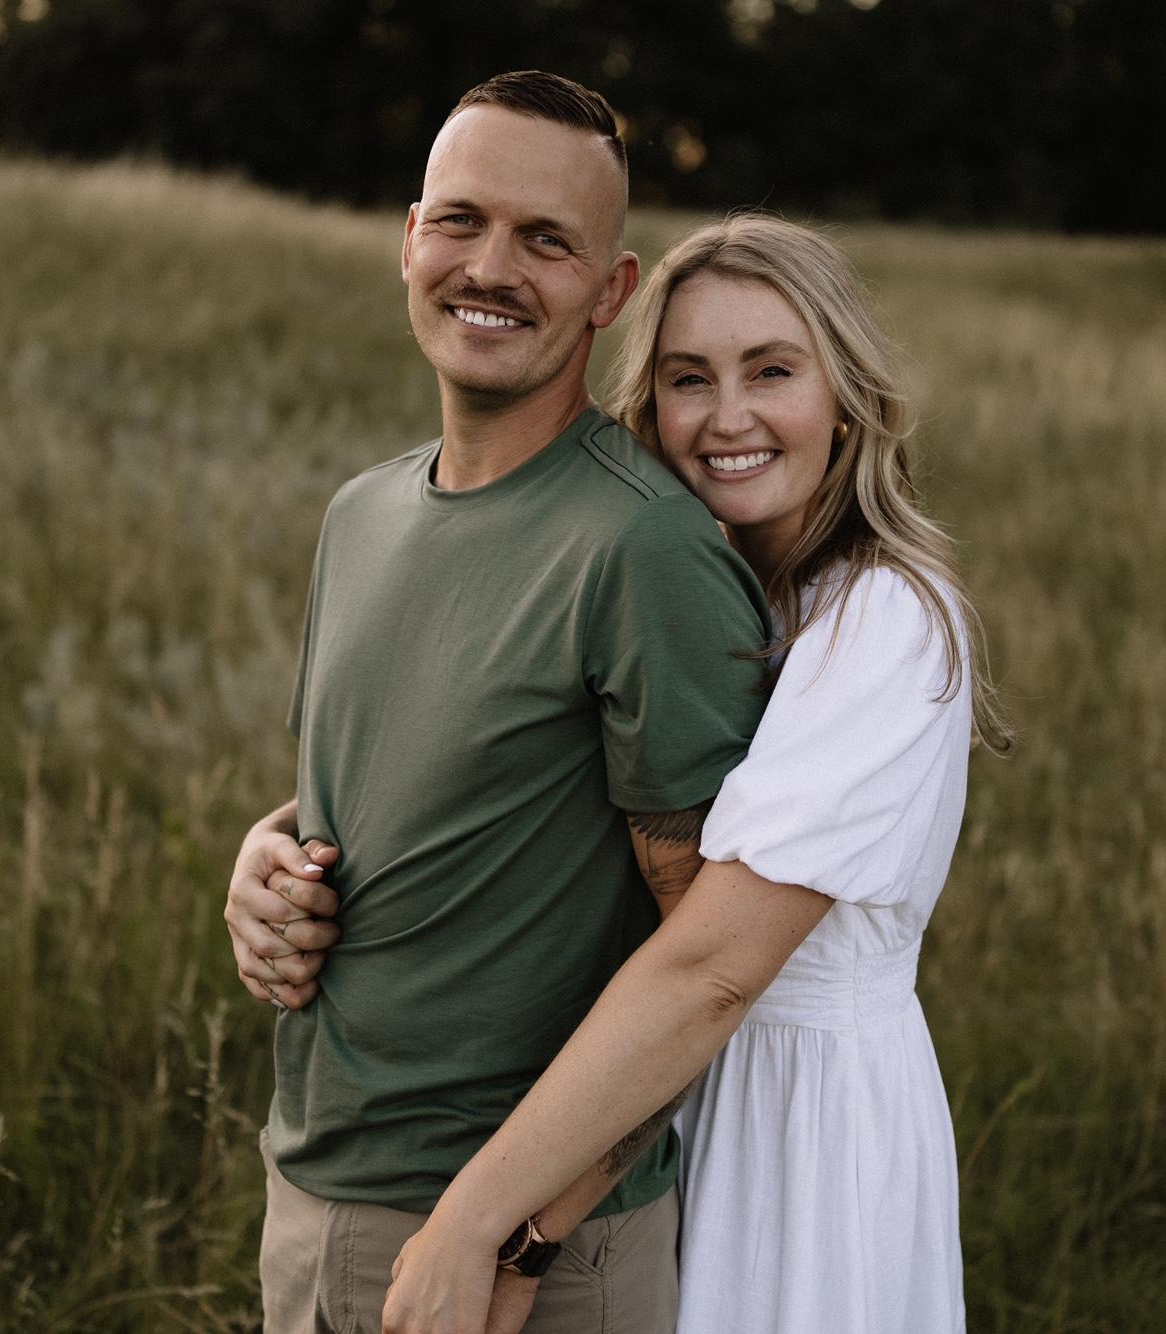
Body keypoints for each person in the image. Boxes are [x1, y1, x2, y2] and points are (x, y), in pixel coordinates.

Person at [379, 217, 1013, 1334]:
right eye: (688, 378)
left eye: (771, 371)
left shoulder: (884, 620)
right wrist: (279, 845)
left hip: (801, 1125)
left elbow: (717, 967)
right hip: (656, 1089)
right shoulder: (711, 594)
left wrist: (498, 1231)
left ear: (846, 394)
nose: (727, 417)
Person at [222, 73, 774, 1333]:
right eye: (461, 221)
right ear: (408, 239)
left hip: (515, 1258)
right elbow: (399, 785)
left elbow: (706, 959)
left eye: (544, 240)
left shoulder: (642, 549)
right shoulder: (361, 513)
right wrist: (262, 863)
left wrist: (515, 1236)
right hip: (308, 1193)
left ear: (610, 291)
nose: (489, 268)